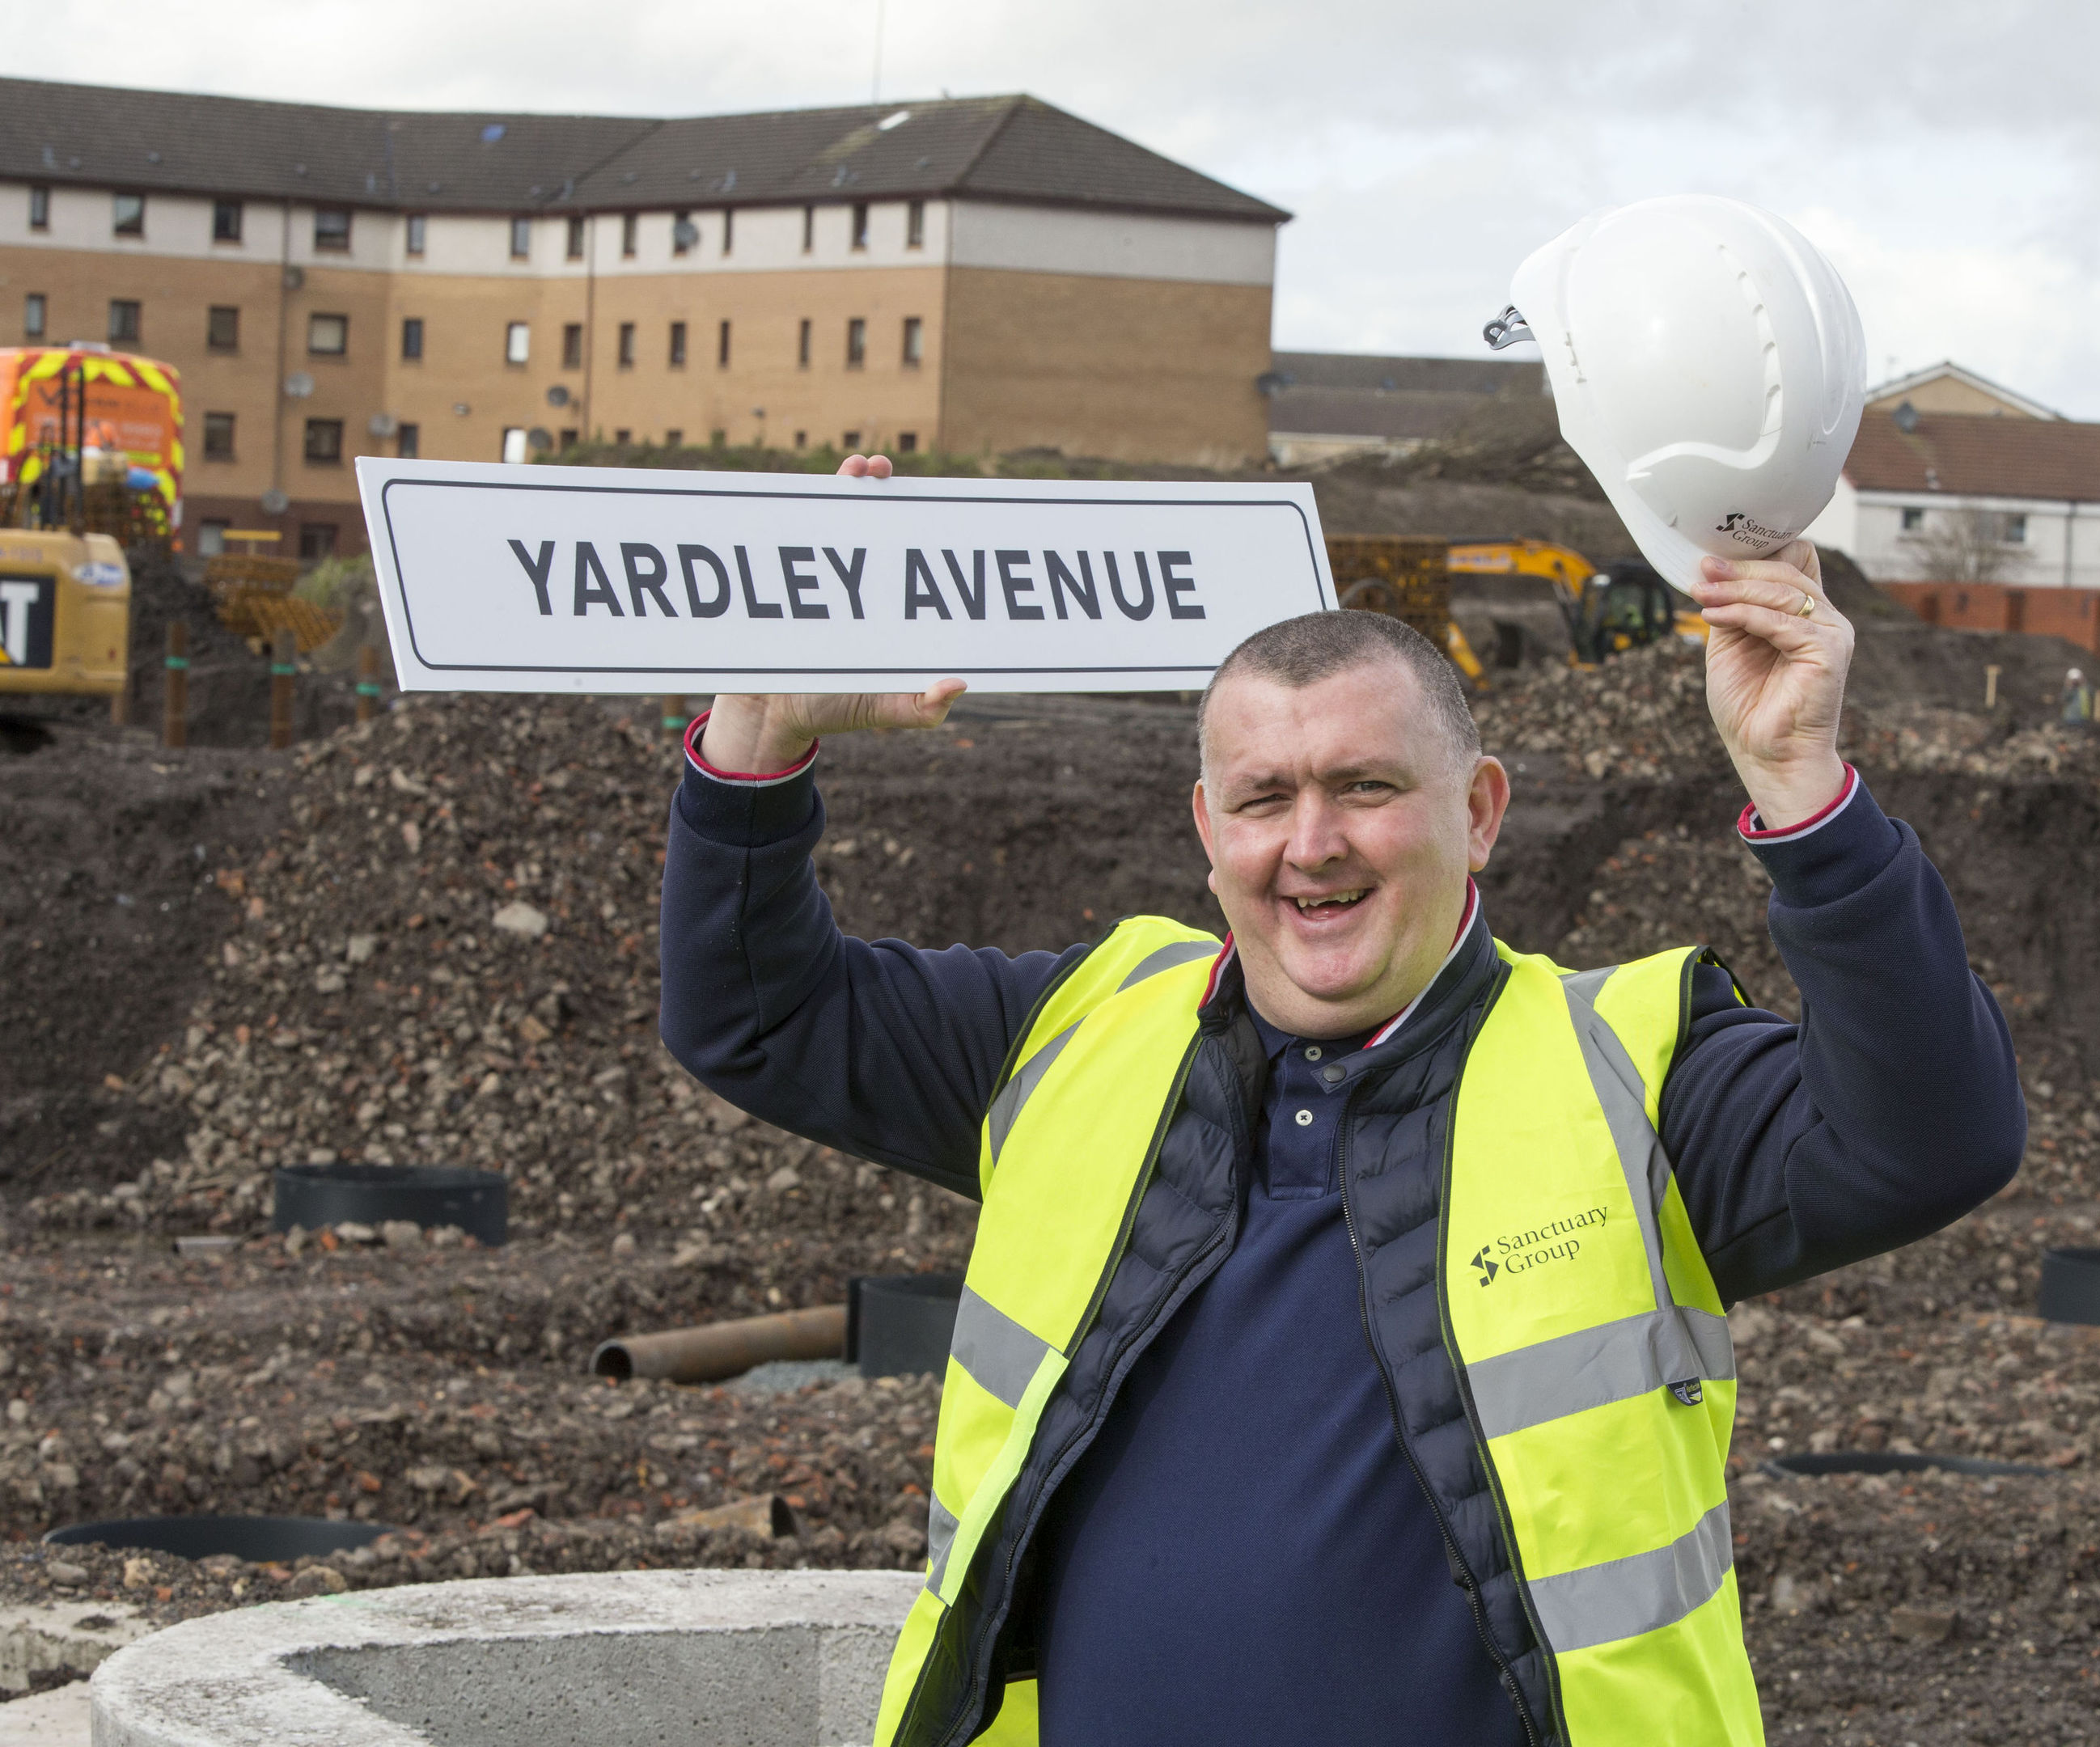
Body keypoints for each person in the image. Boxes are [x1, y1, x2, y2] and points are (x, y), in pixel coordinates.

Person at [660, 453, 2026, 1747]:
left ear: (1480, 811)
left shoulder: (1631, 1071)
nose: (1310, 845)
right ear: (1208, 833)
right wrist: (757, 744)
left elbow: (1928, 1141)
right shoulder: (1076, 1035)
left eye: (1365, 788)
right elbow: (757, 1021)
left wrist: (1807, 794)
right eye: (1262, 799)